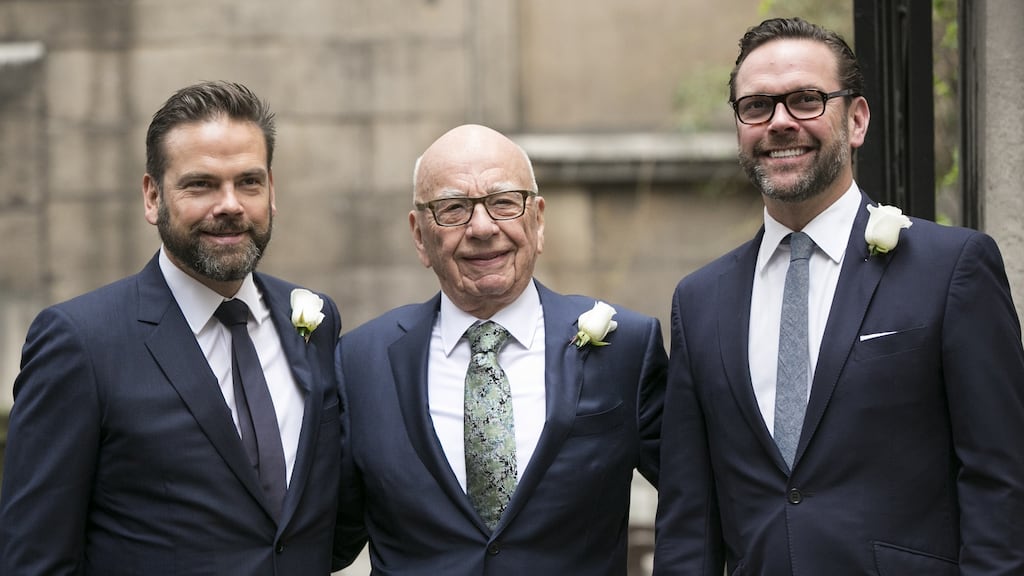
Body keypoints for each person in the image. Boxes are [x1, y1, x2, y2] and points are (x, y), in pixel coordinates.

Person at [653, 17, 1024, 575]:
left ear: (855, 120)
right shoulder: (699, 302)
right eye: (756, 107)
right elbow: (688, 523)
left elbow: (1001, 485)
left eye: (805, 100)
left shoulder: (953, 269)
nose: (779, 122)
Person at [0, 81, 350, 575]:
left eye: (248, 182)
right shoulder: (80, 342)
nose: (229, 204)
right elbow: (35, 559)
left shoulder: (314, 320)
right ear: (152, 197)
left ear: (272, 191)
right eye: (201, 184)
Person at [332, 123, 667, 574]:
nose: (483, 228)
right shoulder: (359, 362)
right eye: (453, 209)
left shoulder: (626, 347)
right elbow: (325, 537)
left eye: (504, 202)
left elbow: (697, 503)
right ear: (419, 236)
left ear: (539, 220)